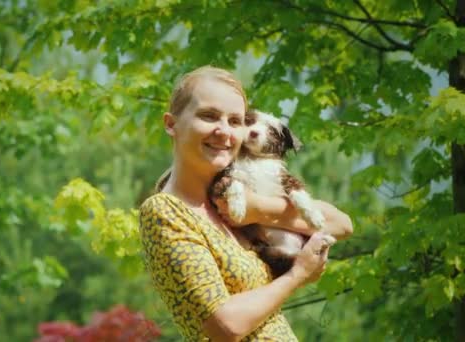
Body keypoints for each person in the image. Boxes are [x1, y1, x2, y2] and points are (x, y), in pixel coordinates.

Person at [139, 66, 353, 341]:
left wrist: (257, 209)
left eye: (236, 121)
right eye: (209, 116)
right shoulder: (166, 212)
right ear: (171, 124)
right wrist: (298, 274)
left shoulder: (234, 202)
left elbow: (342, 224)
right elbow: (225, 327)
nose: (224, 131)